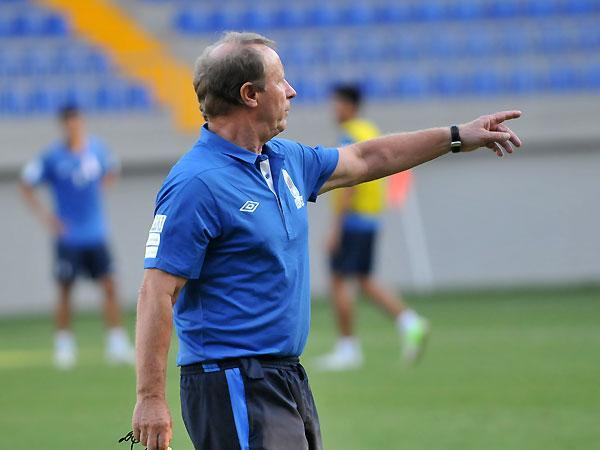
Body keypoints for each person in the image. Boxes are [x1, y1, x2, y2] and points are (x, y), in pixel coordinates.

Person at [131, 31, 522, 450]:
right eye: (280, 80)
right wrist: (150, 398)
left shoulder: (285, 159)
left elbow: (366, 157)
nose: (292, 91)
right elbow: (157, 291)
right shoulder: (196, 184)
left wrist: (456, 136)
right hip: (232, 382)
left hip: (284, 375)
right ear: (250, 95)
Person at [316, 84, 428, 371]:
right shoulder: (369, 130)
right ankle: (409, 321)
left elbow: (349, 182)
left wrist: (335, 227)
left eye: (337, 103)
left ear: (349, 105)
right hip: (370, 217)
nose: (333, 109)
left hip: (353, 220)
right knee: (363, 280)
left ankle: (348, 348)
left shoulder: (349, 134)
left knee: (339, 281)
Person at [20, 104, 134, 369]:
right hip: (69, 237)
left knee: (110, 285)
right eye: (70, 123)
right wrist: (48, 218)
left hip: (96, 233)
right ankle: (64, 345)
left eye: (78, 122)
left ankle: (116, 343)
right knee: (65, 289)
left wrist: (97, 193)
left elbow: (112, 169)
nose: (74, 127)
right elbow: (26, 184)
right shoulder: (52, 157)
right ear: (63, 126)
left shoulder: (97, 150)